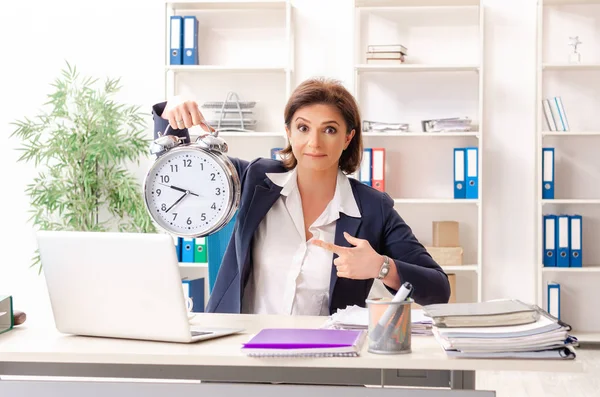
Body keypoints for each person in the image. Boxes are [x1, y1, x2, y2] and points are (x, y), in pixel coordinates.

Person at [152, 77, 450, 316]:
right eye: (303, 128)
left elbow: (438, 289)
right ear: (289, 133)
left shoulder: (372, 208)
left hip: (325, 366)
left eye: (329, 130)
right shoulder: (255, 179)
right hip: (238, 354)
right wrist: (172, 113)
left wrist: (381, 267)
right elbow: (182, 175)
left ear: (348, 137)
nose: (314, 142)